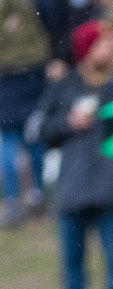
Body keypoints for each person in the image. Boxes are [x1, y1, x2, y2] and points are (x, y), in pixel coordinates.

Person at [33, 19, 113, 289]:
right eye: (105, 42)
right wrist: (68, 123)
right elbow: (42, 132)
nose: (112, 48)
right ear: (87, 49)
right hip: (72, 189)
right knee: (73, 268)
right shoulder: (63, 88)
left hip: (112, 189)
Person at [0, 0, 69, 227]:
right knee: (27, 138)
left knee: (17, 139)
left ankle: (17, 199)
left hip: (18, 77)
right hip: (27, 75)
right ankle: (33, 196)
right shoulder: (35, 4)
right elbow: (54, 27)